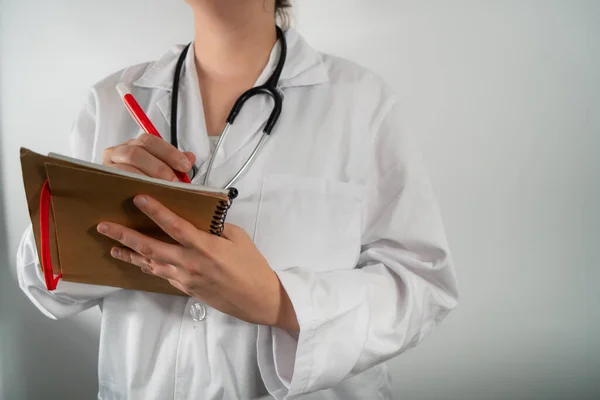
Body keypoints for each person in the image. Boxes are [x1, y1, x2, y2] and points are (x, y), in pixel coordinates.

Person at [16, 1, 459, 399]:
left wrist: (278, 301)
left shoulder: (361, 102)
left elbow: (421, 285)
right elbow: (41, 284)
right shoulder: (111, 101)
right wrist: (91, 213)